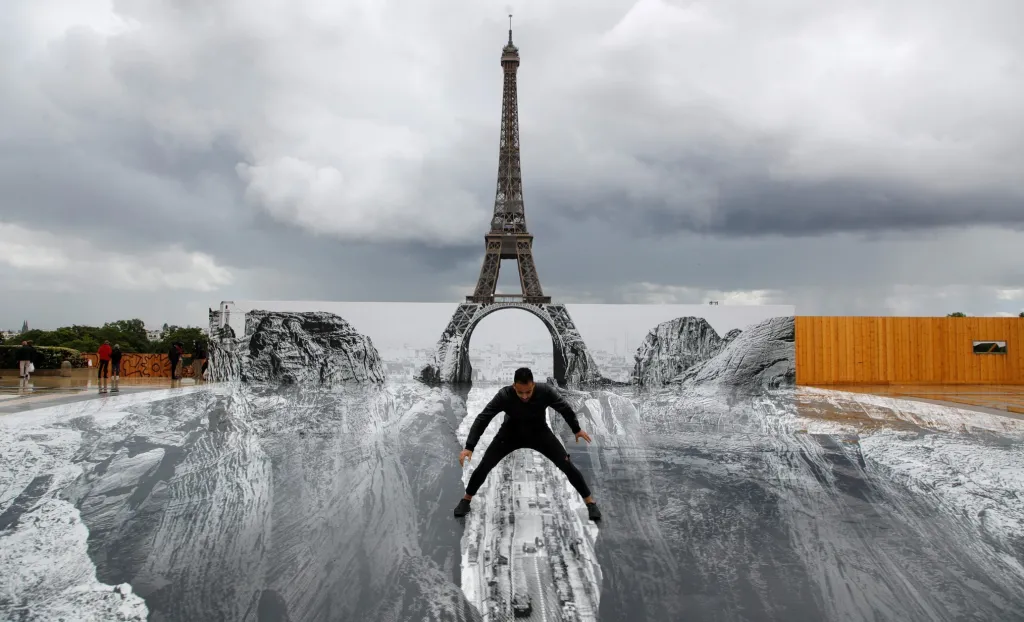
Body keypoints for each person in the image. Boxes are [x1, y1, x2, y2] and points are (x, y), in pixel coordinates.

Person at [454, 367, 601, 521]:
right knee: (485, 465)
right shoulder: (504, 395)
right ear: (514, 386)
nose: (524, 396)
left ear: (533, 386)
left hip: (540, 434)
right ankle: (466, 500)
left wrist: (576, 429)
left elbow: (564, 408)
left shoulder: (545, 391)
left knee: (567, 465)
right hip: (510, 434)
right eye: (520, 392)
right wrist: (469, 447)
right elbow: (483, 418)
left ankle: (590, 502)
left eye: (528, 392)